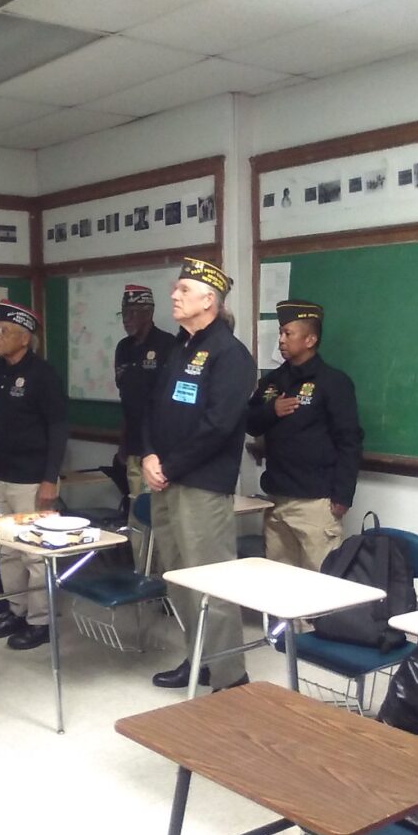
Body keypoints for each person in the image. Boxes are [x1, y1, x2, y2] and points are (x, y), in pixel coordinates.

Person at [143, 257, 257, 691]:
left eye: (184, 290)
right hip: (166, 479)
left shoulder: (231, 354)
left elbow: (219, 426)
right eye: (176, 289)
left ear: (209, 300)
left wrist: (168, 466)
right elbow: (152, 409)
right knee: (178, 576)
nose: (174, 296)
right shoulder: (179, 348)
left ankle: (231, 677)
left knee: (211, 580)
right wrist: (150, 454)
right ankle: (201, 658)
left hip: (202, 485)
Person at [247, 300, 363, 572]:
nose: (281, 340)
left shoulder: (333, 382)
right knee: (280, 580)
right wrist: (271, 410)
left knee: (320, 583)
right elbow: (249, 422)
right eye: (280, 332)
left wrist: (343, 495)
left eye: (288, 333)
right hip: (277, 496)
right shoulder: (273, 382)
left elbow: (349, 440)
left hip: (316, 501)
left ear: (310, 339)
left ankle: (312, 620)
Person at [0, 300, 68, 651]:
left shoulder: (42, 374)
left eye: (3, 331)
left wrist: (50, 479)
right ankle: (17, 610)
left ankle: (41, 621)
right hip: (2, 474)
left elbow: (59, 426)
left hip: (33, 478)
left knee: (35, 555)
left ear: (24, 338)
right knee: (7, 550)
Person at [114, 284, 174, 564]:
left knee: (160, 514)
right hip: (135, 446)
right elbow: (127, 400)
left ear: (149, 312)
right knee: (137, 511)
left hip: (161, 449)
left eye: (134, 312)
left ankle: (163, 576)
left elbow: (168, 403)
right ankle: (141, 573)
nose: (128, 318)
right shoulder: (123, 349)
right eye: (124, 312)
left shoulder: (168, 346)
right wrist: (123, 442)